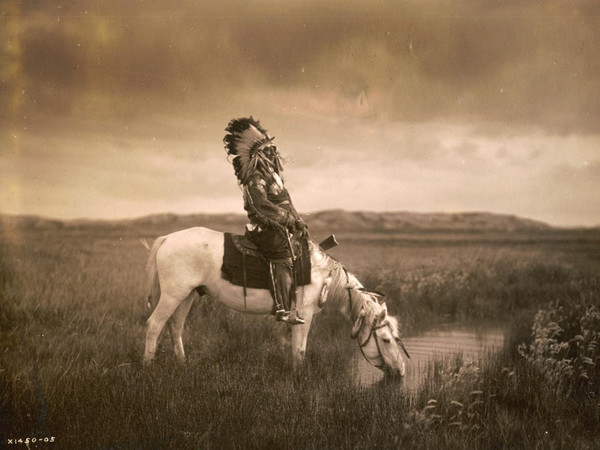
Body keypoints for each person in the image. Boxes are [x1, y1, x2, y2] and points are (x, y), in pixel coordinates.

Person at [224, 117, 308, 325]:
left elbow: (286, 201)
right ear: (259, 154)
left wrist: (298, 221)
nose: (273, 152)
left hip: (280, 225)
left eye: (273, 148)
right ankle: (283, 308)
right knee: (282, 254)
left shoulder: (273, 176)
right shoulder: (255, 178)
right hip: (265, 229)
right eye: (268, 150)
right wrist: (287, 219)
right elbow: (261, 206)